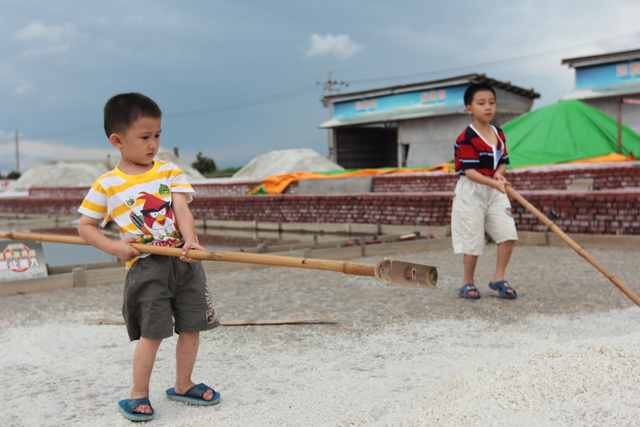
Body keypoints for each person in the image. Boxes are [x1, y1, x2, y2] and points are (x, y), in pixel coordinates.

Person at [78, 93, 221, 421]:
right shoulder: (108, 184)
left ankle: (183, 384)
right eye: (144, 137)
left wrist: (192, 241)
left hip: (183, 262)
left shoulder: (169, 171)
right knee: (153, 332)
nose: (153, 143)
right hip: (147, 267)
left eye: (157, 135)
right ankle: (138, 394)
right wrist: (115, 247)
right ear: (117, 140)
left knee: (192, 326)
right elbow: (86, 227)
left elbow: (181, 209)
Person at [451, 83, 518, 300]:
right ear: (469, 108)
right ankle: (467, 282)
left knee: (508, 233)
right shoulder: (466, 137)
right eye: (481, 103)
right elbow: (470, 172)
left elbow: (504, 161)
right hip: (472, 191)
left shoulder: (498, 133)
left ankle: (498, 278)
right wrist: (494, 183)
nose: (488, 107)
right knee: (473, 238)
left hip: (495, 189)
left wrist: (499, 173)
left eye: (491, 102)